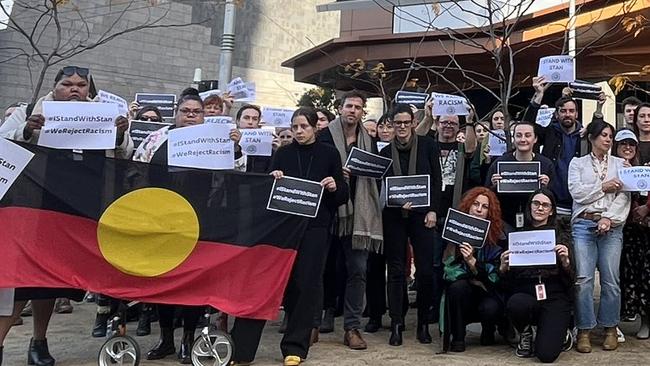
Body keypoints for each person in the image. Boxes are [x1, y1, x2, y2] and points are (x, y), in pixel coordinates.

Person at [0, 65, 132, 366]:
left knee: (51, 280)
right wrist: (28, 130)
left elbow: (125, 155)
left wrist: (120, 134)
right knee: (20, 280)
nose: (75, 89)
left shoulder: (104, 114)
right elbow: (4, 145)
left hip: (74, 211)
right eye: (68, 84)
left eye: (81, 85)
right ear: (55, 86)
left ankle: (39, 342)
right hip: (32, 210)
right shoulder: (30, 111)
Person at [229, 107, 348, 366]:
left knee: (305, 285)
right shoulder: (282, 153)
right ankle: (242, 350)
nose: (298, 131)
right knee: (264, 281)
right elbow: (268, 192)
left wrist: (333, 186)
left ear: (316, 127)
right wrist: (274, 178)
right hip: (282, 228)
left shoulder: (329, 153)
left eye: (304, 126)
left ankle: (295, 347)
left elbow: (341, 197)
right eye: (294, 127)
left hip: (315, 229)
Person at [134, 88, 240, 364]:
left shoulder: (214, 140)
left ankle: (188, 339)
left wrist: (235, 147)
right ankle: (166, 338)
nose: (190, 117)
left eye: (196, 113)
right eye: (186, 112)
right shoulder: (156, 138)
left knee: (193, 282)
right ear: (176, 113)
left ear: (204, 117)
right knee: (164, 280)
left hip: (199, 220)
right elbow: (136, 167)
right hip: (161, 220)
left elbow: (236, 172)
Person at [317, 90, 383, 350]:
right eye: (349, 106)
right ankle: (316, 320)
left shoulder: (370, 140)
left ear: (362, 112)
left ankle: (352, 327)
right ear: (340, 108)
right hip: (329, 211)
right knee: (321, 268)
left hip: (360, 216)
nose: (352, 110)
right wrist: (336, 172)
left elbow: (375, 172)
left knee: (358, 270)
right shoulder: (324, 136)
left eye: (357, 107)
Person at [378, 104, 442, 346]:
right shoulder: (385, 152)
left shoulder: (427, 145)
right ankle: (396, 322)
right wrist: (395, 201)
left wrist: (434, 210)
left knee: (425, 271)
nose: (402, 127)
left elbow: (436, 179)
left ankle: (423, 323)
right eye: (397, 123)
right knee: (395, 271)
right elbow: (381, 186)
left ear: (413, 123)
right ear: (391, 125)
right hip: (394, 217)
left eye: (406, 122)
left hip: (423, 216)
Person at [568, 120, 630, 353]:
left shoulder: (620, 164)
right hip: (584, 224)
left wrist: (609, 219)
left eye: (610, 136)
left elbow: (625, 196)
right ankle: (584, 329)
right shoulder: (578, 164)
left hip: (611, 226)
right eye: (603, 135)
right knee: (583, 279)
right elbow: (577, 193)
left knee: (610, 279)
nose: (608, 140)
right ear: (592, 138)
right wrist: (603, 186)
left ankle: (610, 327)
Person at [502, 188, 575, 362]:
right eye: (536, 203)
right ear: (530, 207)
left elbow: (573, 277)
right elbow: (507, 282)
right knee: (516, 303)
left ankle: (562, 331)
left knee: (546, 355)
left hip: (554, 294)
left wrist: (565, 261)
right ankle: (525, 331)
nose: (540, 208)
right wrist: (503, 267)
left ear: (551, 210)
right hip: (526, 292)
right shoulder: (518, 235)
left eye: (545, 205)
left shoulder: (561, 235)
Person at [442, 187, 505, 352]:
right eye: (475, 204)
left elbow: (495, 277)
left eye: (484, 207)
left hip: (488, 293)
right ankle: (457, 337)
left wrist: (472, 262)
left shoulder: (498, 236)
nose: (478, 209)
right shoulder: (454, 233)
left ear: (489, 212)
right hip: (465, 292)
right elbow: (448, 272)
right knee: (456, 288)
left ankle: (489, 329)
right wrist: (469, 269)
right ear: (468, 206)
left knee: (490, 307)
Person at [613, 129, 650, 339]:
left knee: (646, 275)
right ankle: (621, 319)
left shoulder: (643, 169)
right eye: (623, 144)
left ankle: (646, 321)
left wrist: (646, 209)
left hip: (645, 228)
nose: (627, 148)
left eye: (631, 144)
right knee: (625, 276)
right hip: (623, 229)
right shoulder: (609, 168)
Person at [486, 122, 554, 229]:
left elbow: (553, 197)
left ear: (535, 139)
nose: (523, 139)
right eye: (518, 135)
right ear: (513, 138)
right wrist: (493, 186)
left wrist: (547, 187)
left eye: (527, 135)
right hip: (504, 221)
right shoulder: (499, 163)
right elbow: (487, 193)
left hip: (535, 223)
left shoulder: (546, 164)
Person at [233, 104, 275, 173]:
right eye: (246, 118)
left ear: (258, 122)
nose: (250, 122)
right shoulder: (228, 143)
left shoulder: (267, 146)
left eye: (255, 119)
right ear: (237, 121)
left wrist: (277, 150)